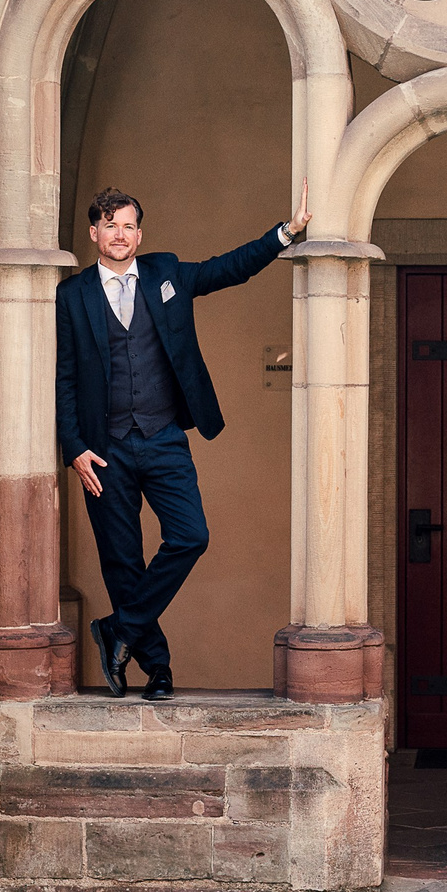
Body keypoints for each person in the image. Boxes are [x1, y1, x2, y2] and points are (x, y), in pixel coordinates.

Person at [58, 182, 311, 699]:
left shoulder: (166, 273)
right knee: (122, 562)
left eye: (128, 225)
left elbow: (226, 269)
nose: (120, 234)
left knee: (190, 536)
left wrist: (286, 234)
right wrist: (74, 446)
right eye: (110, 225)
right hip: (103, 450)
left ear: (139, 233)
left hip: (163, 437)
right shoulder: (72, 295)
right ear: (94, 232)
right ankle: (157, 670)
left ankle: (119, 629)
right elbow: (61, 376)